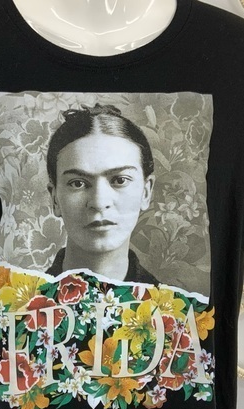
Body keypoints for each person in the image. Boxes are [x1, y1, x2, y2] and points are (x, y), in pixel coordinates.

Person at [44, 103, 160, 285]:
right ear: (54, 199)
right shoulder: (18, 302)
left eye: (119, 180)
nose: (99, 202)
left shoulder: (176, 303)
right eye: (78, 183)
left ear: (146, 192)